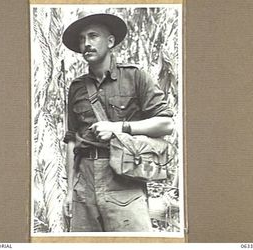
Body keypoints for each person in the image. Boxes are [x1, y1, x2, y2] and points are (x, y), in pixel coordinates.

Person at [62, 11, 174, 232]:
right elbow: (72, 140)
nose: (86, 43)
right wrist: (69, 192)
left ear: (110, 41)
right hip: (83, 184)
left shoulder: (135, 76)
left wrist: (118, 128)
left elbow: (166, 124)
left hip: (124, 180)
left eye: (93, 36)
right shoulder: (76, 87)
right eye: (82, 39)